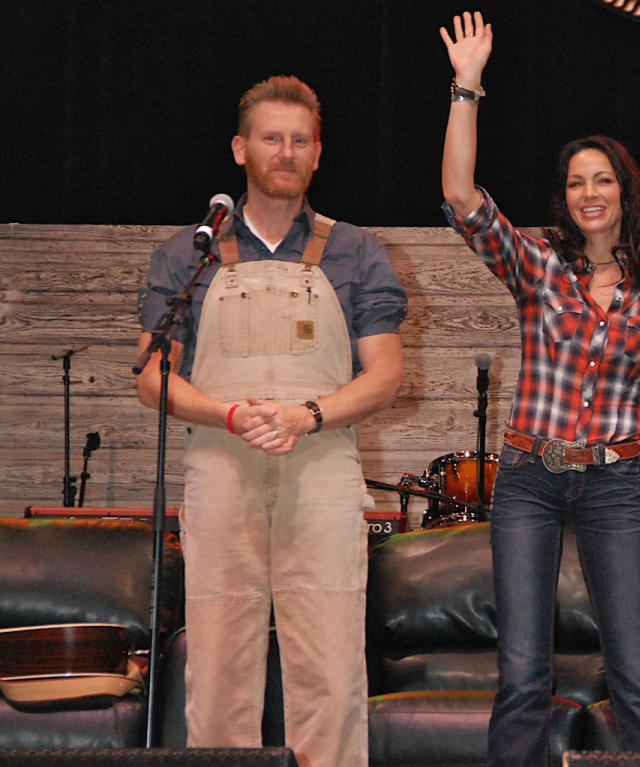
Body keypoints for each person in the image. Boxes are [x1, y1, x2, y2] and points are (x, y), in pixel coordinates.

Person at [439, 12, 640, 766]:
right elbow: (461, 195)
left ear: (626, 191)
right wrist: (467, 85)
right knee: (523, 673)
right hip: (529, 477)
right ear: (566, 197)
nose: (590, 193)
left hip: (616, 482)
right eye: (576, 182)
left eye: (603, 180)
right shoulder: (537, 266)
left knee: (638, 673)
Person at [136, 75, 407, 767]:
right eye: (270, 138)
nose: (284, 152)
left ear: (317, 153)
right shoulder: (187, 255)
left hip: (320, 468)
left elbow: (385, 373)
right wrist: (229, 413)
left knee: (331, 670)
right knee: (219, 670)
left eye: (298, 140)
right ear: (239, 148)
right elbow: (152, 374)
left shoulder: (358, 252)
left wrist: (306, 414)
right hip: (220, 467)